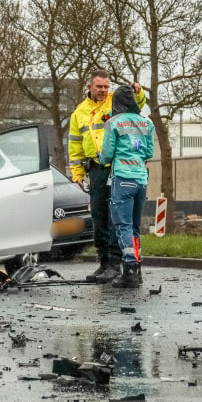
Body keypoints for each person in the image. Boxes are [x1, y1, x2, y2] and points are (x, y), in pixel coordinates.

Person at [67, 69, 146, 283]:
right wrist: (77, 173)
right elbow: (75, 145)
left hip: (117, 168)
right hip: (96, 169)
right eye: (99, 86)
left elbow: (136, 105)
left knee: (116, 218)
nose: (103, 90)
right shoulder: (79, 112)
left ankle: (115, 262)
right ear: (89, 87)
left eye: (106, 86)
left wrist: (138, 92)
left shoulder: (115, 102)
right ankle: (103, 262)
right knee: (99, 216)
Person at [98, 84, 154, 288]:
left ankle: (129, 270)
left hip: (122, 178)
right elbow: (149, 153)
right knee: (135, 228)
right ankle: (137, 269)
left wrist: (101, 159)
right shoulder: (147, 123)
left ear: (117, 102)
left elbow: (107, 154)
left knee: (123, 226)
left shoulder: (114, 122)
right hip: (141, 179)